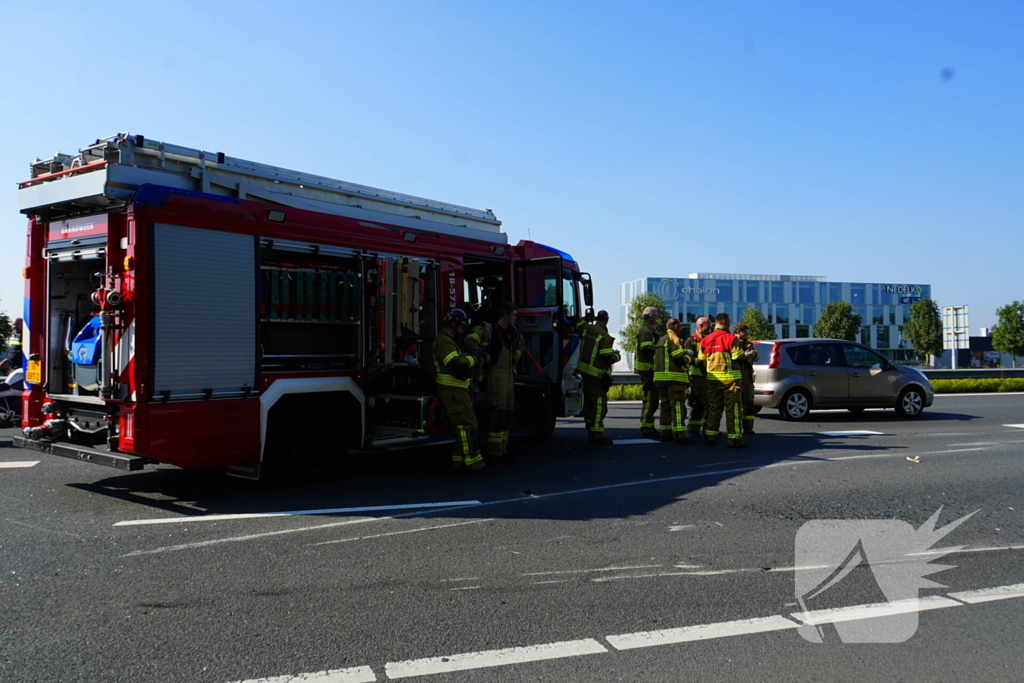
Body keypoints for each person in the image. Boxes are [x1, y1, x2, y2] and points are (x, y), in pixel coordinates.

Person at [465, 302, 525, 463]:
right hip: (496, 376)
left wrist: (514, 359)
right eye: (513, 315)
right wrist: (483, 356)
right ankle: (493, 452)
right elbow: (469, 340)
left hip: (508, 376)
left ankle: (502, 450)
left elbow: (521, 344)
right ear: (505, 315)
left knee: (507, 414)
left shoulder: (513, 332)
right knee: (498, 413)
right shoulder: (489, 331)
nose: (515, 318)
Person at [433, 309, 486, 473]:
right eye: (462, 327)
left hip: (458, 390)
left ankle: (460, 462)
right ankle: (473, 463)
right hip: (452, 391)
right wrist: (475, 359)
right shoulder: (443, 341)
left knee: (467, 426)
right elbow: (456, 364)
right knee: (466, 427)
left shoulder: (451, 341)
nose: (463, 331)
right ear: (453, 323)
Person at [699, 312, 747, 448]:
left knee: (714, 409)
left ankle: (711, 436)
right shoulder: (731, 339)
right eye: (729, 320)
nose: (731, 323)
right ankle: (735, 439)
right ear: (725, 321)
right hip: (730, 381)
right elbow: (737, 357)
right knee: (733, 411)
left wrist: (708, 375)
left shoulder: (705, 340)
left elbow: (700, 361)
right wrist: (745, 356)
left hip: (713, 381)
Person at [577, 309, 620, 445]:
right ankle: (597, 435)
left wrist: (587, 317)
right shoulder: (604, 336)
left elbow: (578, 324)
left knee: (589, 403)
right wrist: (617, 356)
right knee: (599, 406)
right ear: (607, 320)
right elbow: (607, 356)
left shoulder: (586, 329)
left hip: (584, 372)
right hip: (596, 375)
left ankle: (590, 428)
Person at [653, 318, 693, 444]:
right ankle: (679, 435)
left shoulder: (662, 339)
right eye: (680, 326)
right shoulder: (674, 339)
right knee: (677, 407)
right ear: (675, 326)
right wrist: (688, 358)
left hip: (661, 379)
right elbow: (678, 359)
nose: (681, 329)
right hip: (674, 379)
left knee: (665, 406)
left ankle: (665, 433)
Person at [635, 306, 660, 439]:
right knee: (650, 400)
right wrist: (660, 349)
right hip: (648, 371)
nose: (657, 318)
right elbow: (646, 348)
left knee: (652, 400)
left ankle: (649, 427)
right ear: (650, 316)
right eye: (655, 316)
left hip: (650, 370)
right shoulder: (645, 330)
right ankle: (646, 428)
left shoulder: (648, 329)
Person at [684, 316, 711, 437]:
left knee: (710, 403)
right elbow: (688, 358)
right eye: (707, 326)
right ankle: (694, 428)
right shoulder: (691, 340)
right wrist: (699, 362)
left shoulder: (711, 338)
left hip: (711, 376)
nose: (710, 329)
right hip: (698, 376)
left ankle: (708, 427)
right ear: (700, 326)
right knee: (698, 403)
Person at [733, 322, 759, 435]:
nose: (747, 334)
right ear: (739, 332)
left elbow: (756, 358)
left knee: (749, 402)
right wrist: (744, 355)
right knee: (735, 403)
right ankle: (735, 427)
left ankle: (748, 427)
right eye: (745, 332)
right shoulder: (733, 342)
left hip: (747, 376)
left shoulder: (749, 343)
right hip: (736, 376)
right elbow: (733, 357)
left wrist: (754, 354)